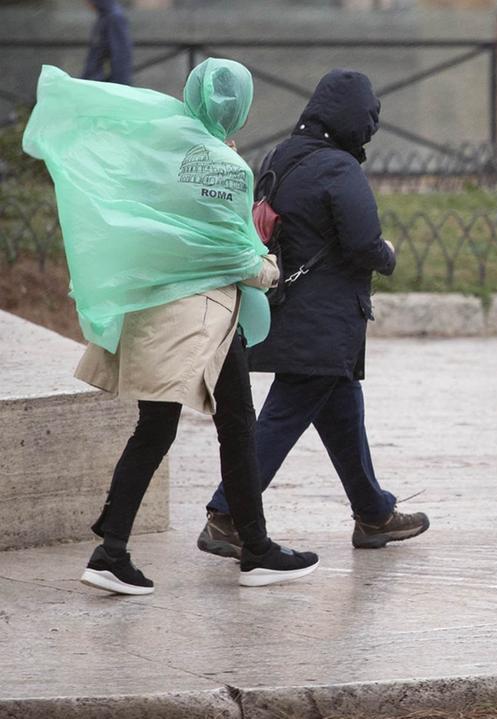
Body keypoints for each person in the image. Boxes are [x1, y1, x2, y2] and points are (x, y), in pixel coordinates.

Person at [23, 58, 320, 594]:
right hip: (201, 316)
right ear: (241, 109)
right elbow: (232, 252)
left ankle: (253, 547)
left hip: (156, 306)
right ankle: (113, 551)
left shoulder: (158, 143)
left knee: (230, 426)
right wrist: (272, 270)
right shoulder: (228, 168)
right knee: (171, 428)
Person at [196, 69, 429, 558]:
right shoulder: (339, 168)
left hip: (288, 308)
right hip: (324, 319)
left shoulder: (281, 156)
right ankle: (227, 514)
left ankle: (372, 513)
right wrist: (388, 254)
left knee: (343, 411)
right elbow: (363, 242)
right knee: (283, 416)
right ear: (351, 118)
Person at [82, 0, 132, 86]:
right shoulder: (104, 17)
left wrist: (120, 86)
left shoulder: (114, 18)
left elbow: (121, 55)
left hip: (104, 84)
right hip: (97, 82)